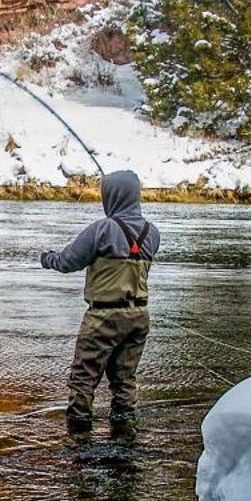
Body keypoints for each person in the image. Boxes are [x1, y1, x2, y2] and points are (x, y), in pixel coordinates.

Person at [41, 170, 162, 430]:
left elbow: (67, 262)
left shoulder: (103, 229)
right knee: (125, 379)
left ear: (112, 196)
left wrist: (46, 258)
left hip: (103, 318)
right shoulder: (152, 233)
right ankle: (124, 435)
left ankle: (79, 438)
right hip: (139, 317)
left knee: (83, 379)